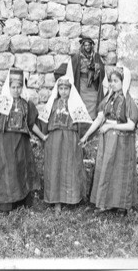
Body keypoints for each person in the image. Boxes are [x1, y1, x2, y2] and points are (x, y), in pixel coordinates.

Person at [0, 69, 45, 213]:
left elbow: (31, 124)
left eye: (19, 87)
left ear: (23, 87)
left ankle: (20, 198)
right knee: (3, 169)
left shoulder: (26, 104)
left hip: (20, 142)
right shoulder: (0, 101)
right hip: (3, 142)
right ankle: (3, 203)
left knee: (19, 168)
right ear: (8, 87)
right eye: (13, 87)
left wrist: (43, 136)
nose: (16, 90)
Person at [79, 67, 138, 216]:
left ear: (124, 82)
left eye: (116, 81)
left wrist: (111, 126)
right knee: (106, 169)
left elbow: (131, 125)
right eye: (111, 81)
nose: (112, 84)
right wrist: (86, 136)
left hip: (122, 142)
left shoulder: (128, 101)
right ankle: (105, 203)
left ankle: (121, 205)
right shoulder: (108, 99)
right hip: (107, 141)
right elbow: (100, 118)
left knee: (119, 170)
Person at [38, 62, 93, 212]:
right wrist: (45, 136)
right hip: (55, 139)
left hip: (70, 138)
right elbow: (44, 120)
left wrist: (81, 137)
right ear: (57, 89)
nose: (63, 91)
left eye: (66, 88)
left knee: (70, 166)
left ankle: (72, 198)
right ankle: (56, 200)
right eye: (60, 88)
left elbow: (83, 122)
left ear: (70, 89)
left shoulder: (75, 104)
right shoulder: (53, 104)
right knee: (55, 167)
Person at [71, 37, 105, 126]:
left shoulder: (96, 56)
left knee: (94, 100)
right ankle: (83, 124)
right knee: (82, 102)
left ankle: (93, 123)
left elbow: (102, 70)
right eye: (85, 45)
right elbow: (72, 69)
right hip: (82, 82)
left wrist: (98, 68)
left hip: (93, 83)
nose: (87, 47)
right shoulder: (78, 56)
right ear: (83, 46)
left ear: (91, 46)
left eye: (89, 45)